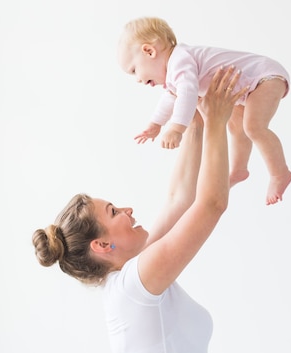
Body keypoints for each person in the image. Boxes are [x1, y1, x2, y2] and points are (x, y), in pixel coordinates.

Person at [33, 67, 242, 353]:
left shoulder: (130, 275)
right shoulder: (132, 286)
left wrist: (195, 119)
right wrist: (217, 121)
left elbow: (178, 199)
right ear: (103, 244)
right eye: (114, 212)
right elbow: (211, 205)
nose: (127, 209)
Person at [117, 16, 291, 205]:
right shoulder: (175, 73)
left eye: (134, 70)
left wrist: (177, 129)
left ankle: (279, 173)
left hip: (265, 77)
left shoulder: (180, 60)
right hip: (248, 89)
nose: (137, 79)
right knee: (237, 127)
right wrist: (155, 124)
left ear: (149, 51)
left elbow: (187, 92)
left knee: (254, 127)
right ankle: (239, 170)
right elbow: (170, 97)